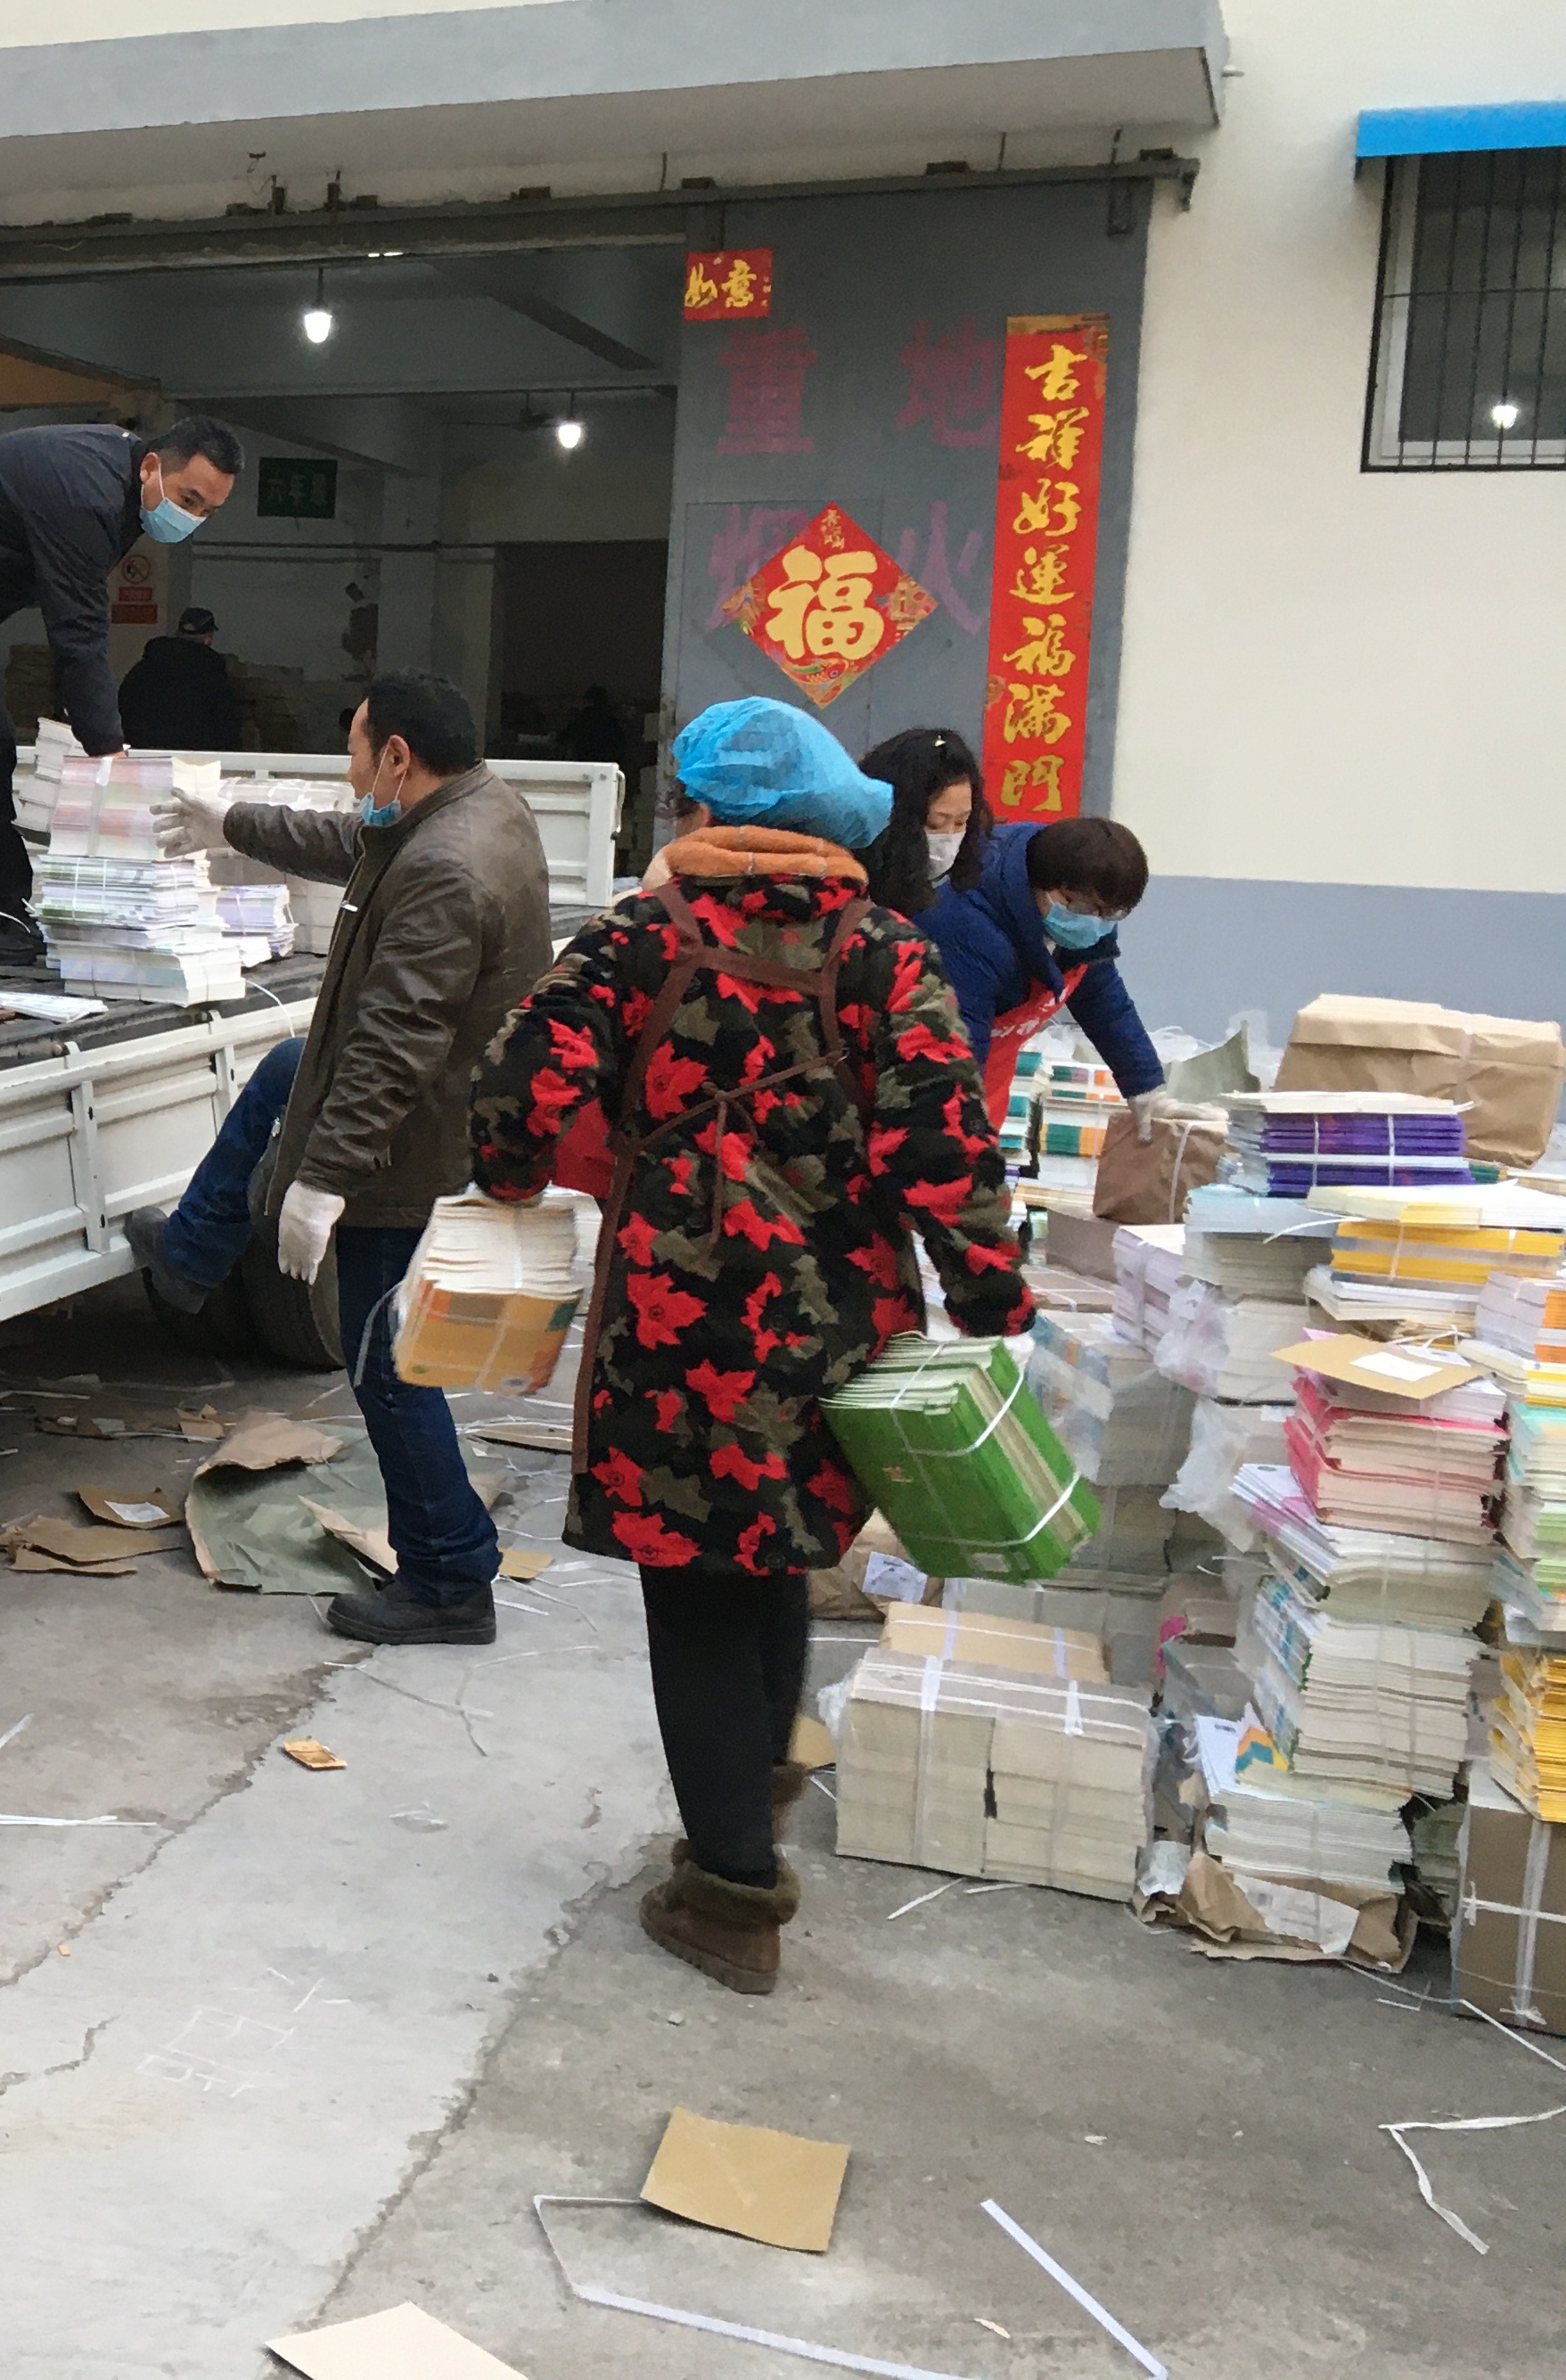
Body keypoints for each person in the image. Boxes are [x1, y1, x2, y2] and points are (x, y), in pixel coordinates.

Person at [464, 697, 1033, 1995]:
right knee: (779, 1559)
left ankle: (728, 1896)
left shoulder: (642, 938)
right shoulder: (885, 952)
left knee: (700, 1593)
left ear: (707, 813)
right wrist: (993, 1301)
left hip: (679, 1326)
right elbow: (948, 1148)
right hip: (843, 1325)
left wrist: (508, 1177)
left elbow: (517, 1084)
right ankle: (755, 1792)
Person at [123, 670, 553, 1646]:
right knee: (286, 1067)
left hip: (413, 1150)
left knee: (388, 1368)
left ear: (398, 755)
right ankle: (192, 1254)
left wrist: (322, 1181)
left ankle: (449, 1579)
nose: (350, 773)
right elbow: (348, 840)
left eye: (355, 751)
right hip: (441, 1115)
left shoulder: (445, 871)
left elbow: (395, 1046)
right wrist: (231, 822)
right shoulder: (474, 807)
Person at [0, 416, 243, 968]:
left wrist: (101, 741)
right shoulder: (86, 493)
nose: (192, 517)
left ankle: (6, 906)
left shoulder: (123, 490)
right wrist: (109, 753)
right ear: (152, 467)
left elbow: (76, 620)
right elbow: (78, 632)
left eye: (207, 511)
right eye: (188, 499)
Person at [919, 813, 1164, 1129]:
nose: (1094, 922)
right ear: (1040, 883)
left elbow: (1102, 998)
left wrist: (1145, 1085)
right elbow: (958, 1045)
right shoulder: (968, 923)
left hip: (989, 1091)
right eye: (1081, 907)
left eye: (1111, 913)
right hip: (931, 1092)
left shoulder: (1091, 919)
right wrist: (962, 1134)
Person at [856, 726, 989, 920]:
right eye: (934, 825)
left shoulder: (960, 892)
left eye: (961, 822)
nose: (949, 839)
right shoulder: (847, 885)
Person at [118, 605, 242, 750]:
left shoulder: (144, 668)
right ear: (208, 638)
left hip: (145, 753)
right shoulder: (211, 674)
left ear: (178, 633)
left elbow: (124, 707)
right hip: (194, 756)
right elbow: (225, 723)